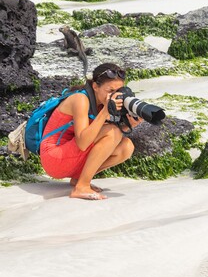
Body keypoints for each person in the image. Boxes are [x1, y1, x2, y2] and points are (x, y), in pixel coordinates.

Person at [39, 62, 142, 200]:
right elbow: (83, 142)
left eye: (118, 91)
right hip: (54, 157)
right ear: (95, 86)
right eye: (110, 91)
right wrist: (105, 112)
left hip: (70, 154)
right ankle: (82, 186)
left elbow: (100, 138)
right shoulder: (80, 99)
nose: (115, 96)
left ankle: (78, 179)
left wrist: (128, 125)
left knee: (126, 147)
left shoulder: (101, 102)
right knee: (113, 131)